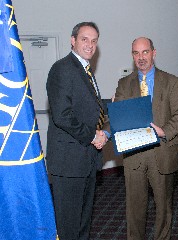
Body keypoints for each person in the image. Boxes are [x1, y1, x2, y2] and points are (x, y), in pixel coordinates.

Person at [114, 37, 178, 240]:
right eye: (136, 53)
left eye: (145, 52)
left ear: (154, 53)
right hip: (134, 155)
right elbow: (120, 118)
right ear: (132, 56)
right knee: (134, 208)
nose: (141, 57)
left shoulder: (172, 82)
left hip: (162, 152)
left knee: (164, 207)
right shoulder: (123, 84)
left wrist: (164, 130)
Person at [46, 22, 109, 240]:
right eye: (84, 39)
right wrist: (93, 136)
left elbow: (90, 109)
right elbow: (63, 115)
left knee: (83, 221)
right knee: (69, 225)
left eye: (94, 40)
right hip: (69, 161)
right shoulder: (62, 68)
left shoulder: (85, 70)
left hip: (86, 159)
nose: (90, 44)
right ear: (73, 40)